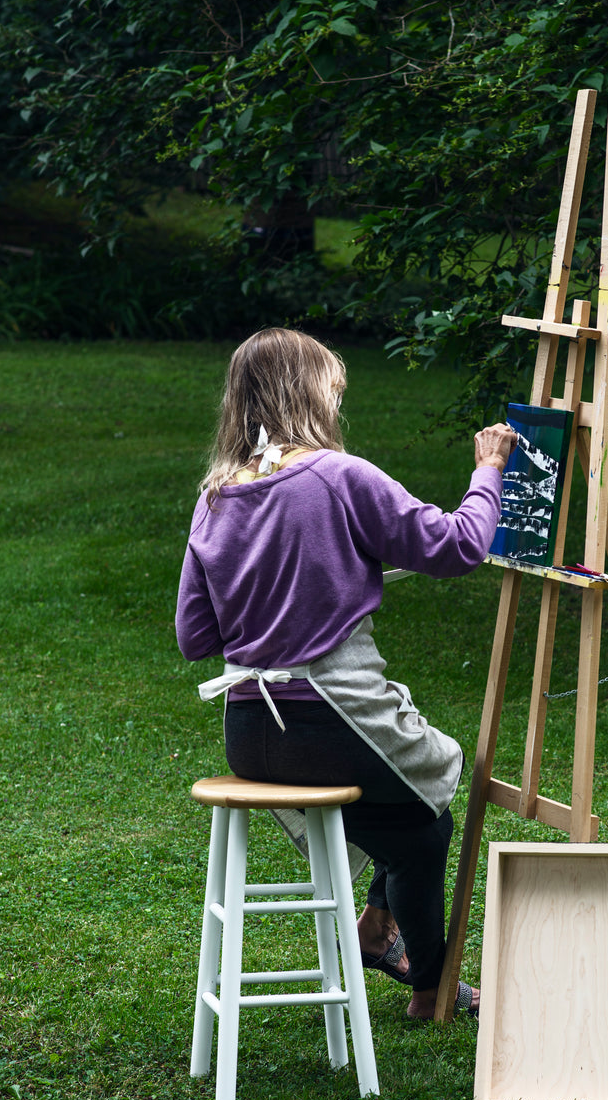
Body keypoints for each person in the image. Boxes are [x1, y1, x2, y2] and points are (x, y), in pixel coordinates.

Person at [176, 327, 516, 1020]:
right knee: (425, 823)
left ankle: (375, 929)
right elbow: (456, 548)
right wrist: (488, 471)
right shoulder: (341, 475)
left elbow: (195, 636)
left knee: (401, 818)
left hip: (250, 733)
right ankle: (432, 988)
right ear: (308, 395)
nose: (339, 404)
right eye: (334, 390)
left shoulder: (216, 495)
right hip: (331, 719)